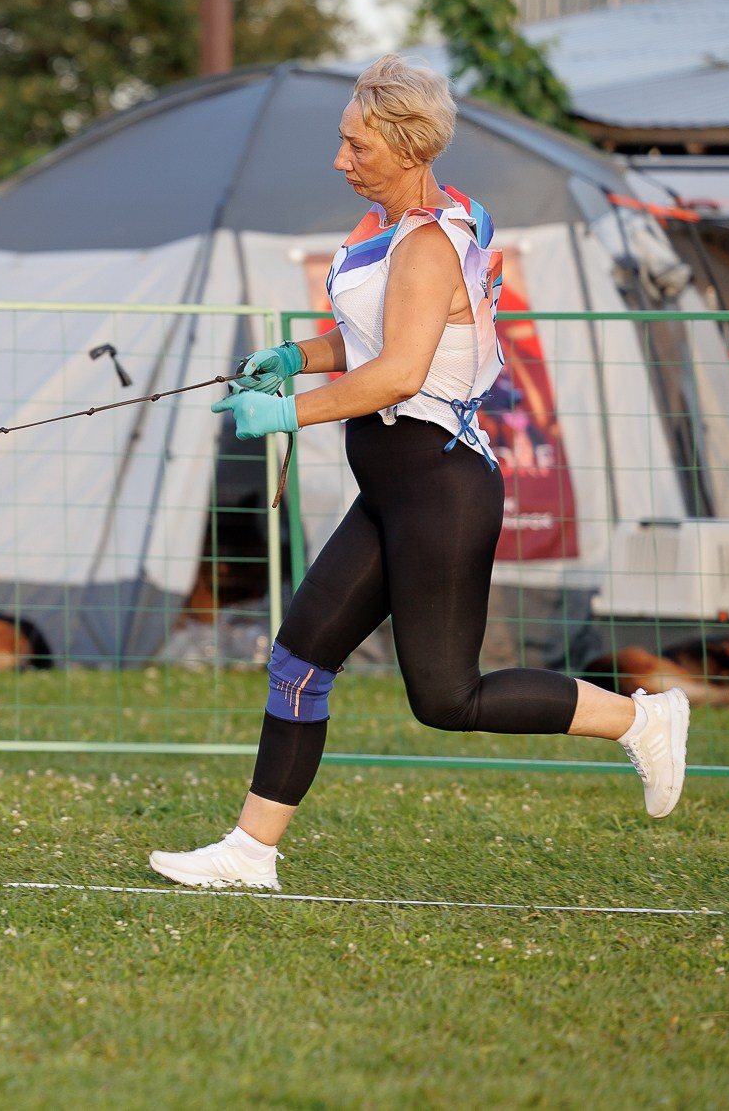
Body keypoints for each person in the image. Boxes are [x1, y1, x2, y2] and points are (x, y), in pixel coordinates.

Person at [149, 55, 689, 891]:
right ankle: (251, 852)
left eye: (357, 145)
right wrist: (295, 356)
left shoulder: (432, 243)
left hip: (440, 491)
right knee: (299, 658)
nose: (340, 159)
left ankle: (642, 718)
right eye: (343, 140)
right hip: (393, 490)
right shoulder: (391, 227)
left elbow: (399, 373)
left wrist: (287, 414)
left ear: (407, 148)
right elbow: (369, 339)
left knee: (446, 697)